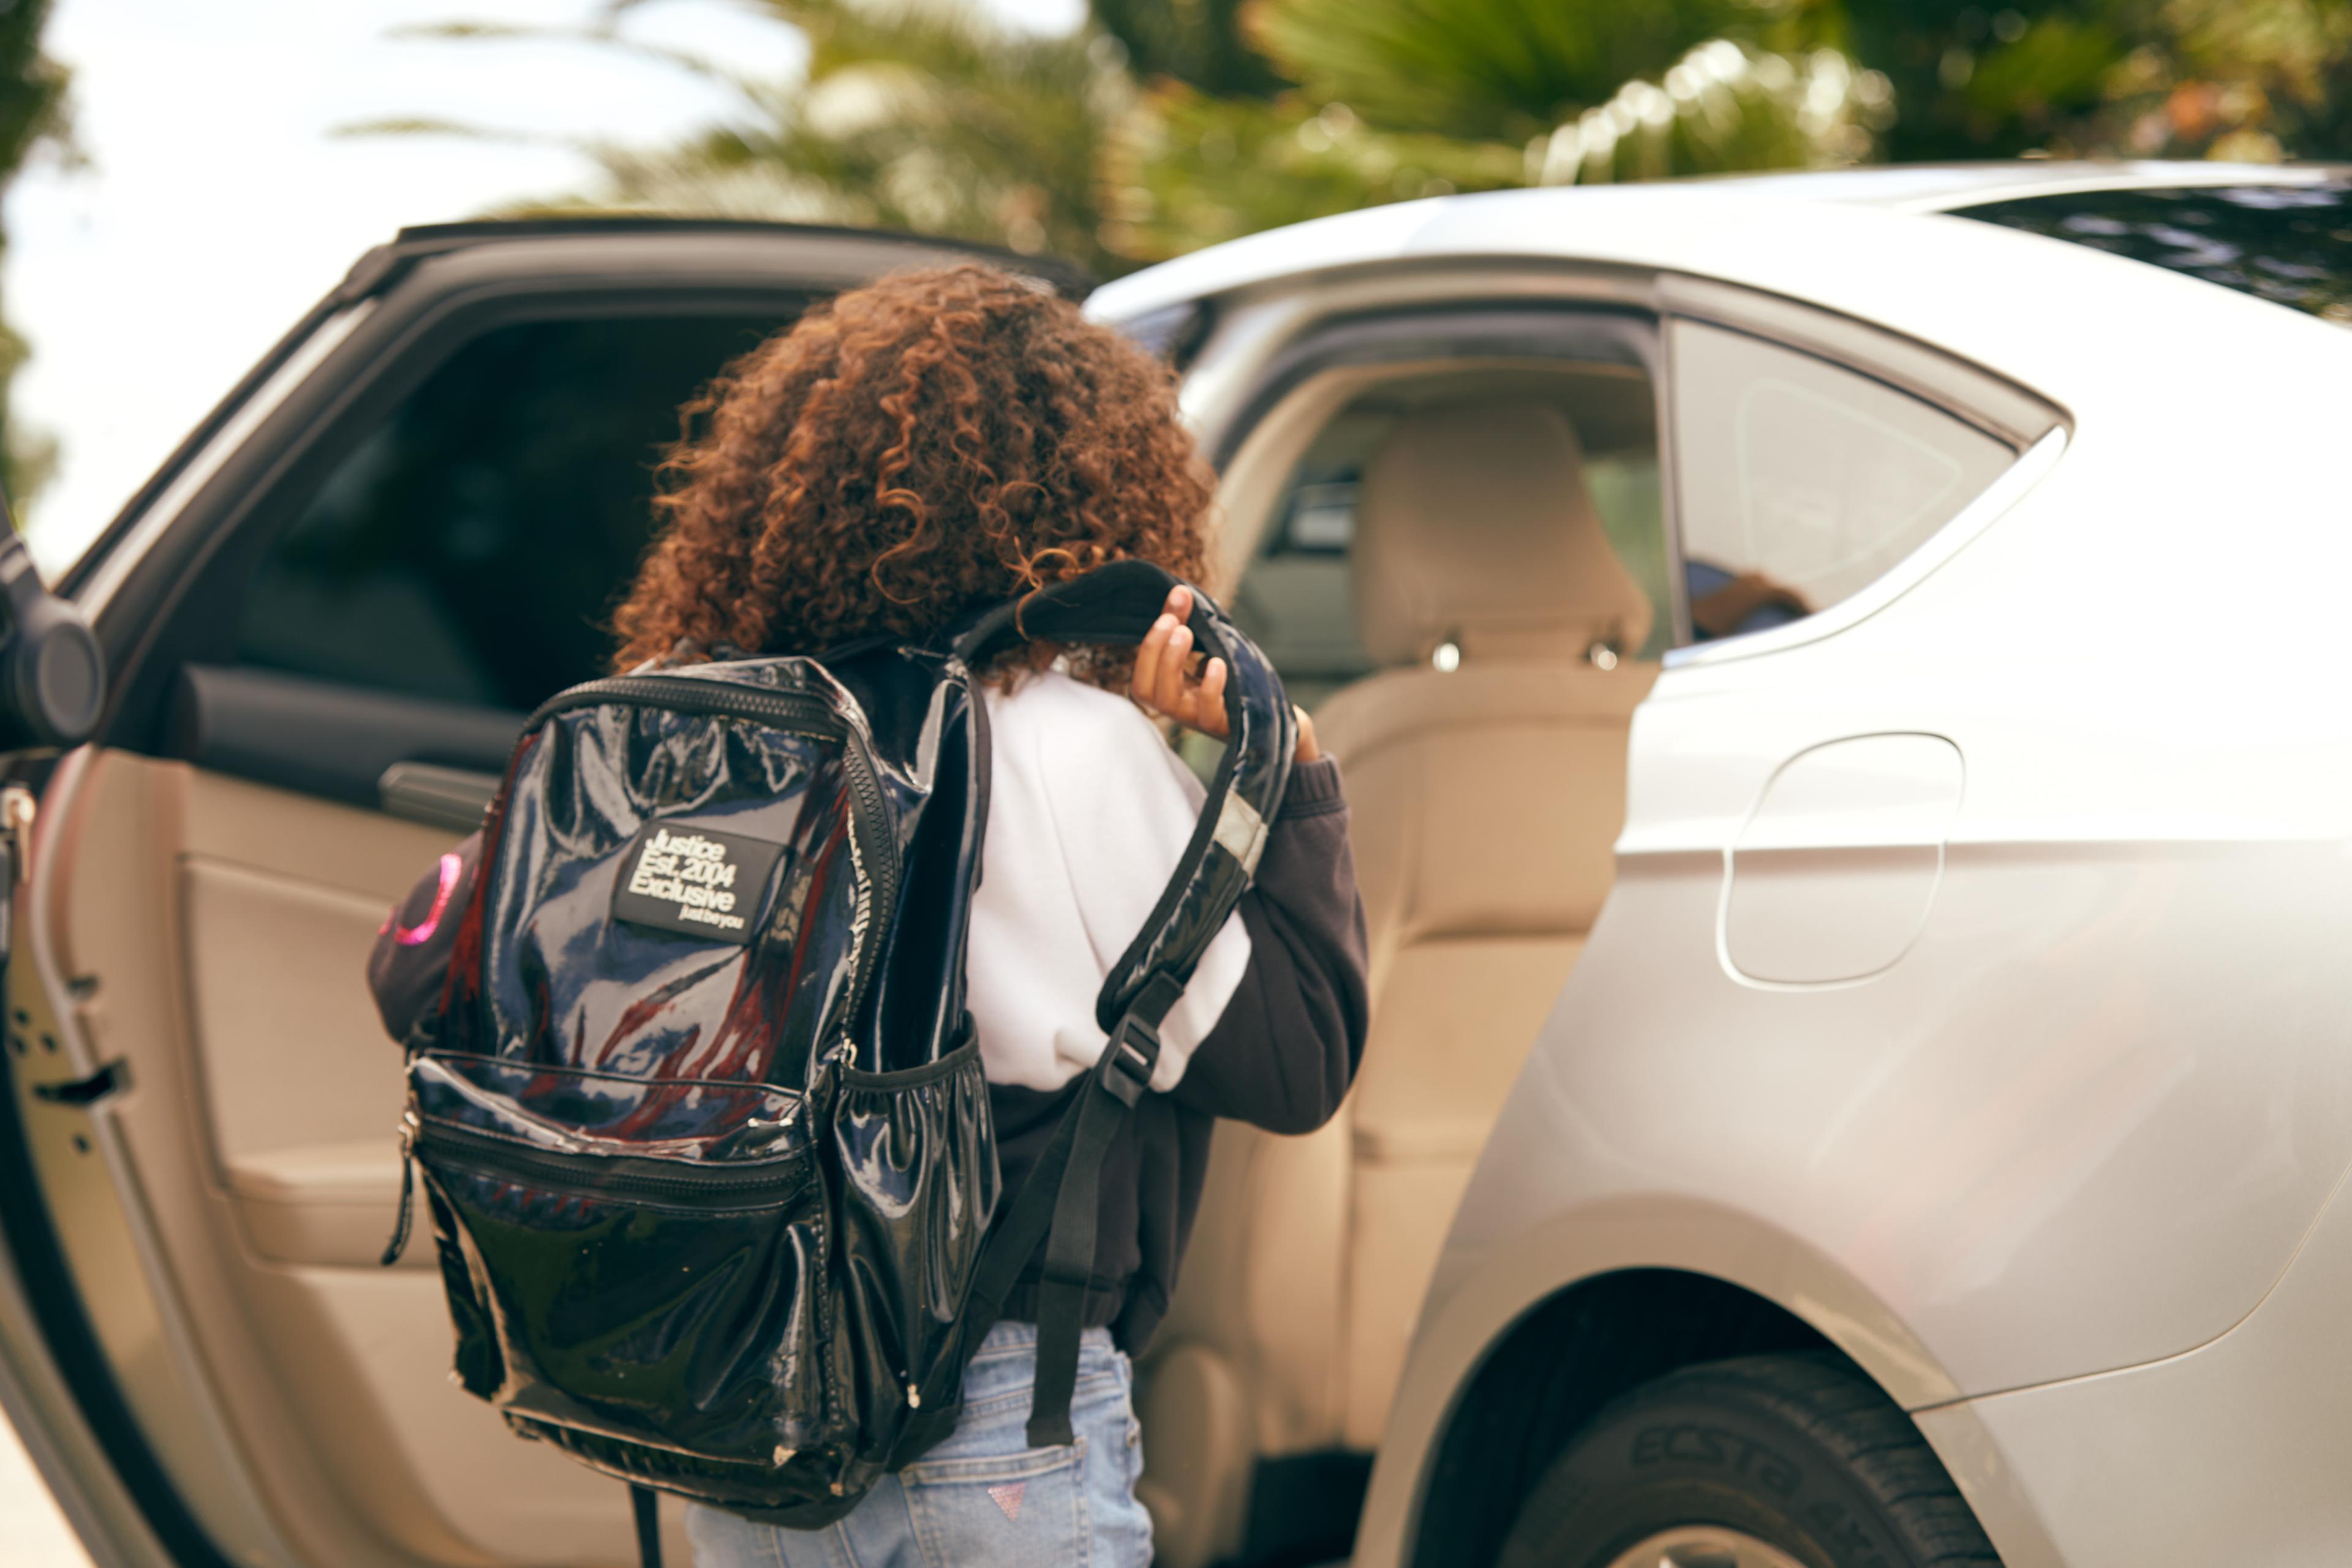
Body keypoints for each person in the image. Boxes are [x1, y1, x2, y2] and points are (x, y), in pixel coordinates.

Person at [366, 263, 1368, 1568]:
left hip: (735, 1390)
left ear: (785, 491)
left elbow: (420, 974)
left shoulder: (676, 731)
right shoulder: (1064, 743)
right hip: (995, 1409)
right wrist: (1281, 755)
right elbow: (1296, 1058)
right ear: (1091, 497)